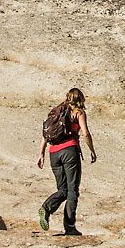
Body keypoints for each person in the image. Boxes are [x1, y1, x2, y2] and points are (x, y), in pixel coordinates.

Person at [38, 88, 96, 235]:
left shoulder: (56, 112)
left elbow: (46, 133)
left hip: (53, 153)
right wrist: (92, 150)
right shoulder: (79, 113)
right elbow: (85, 133)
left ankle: (46, 208)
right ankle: (70, 227)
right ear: (80, 99)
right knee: (72, 191)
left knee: (62, 190)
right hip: (70, 151)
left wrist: (41, 153)